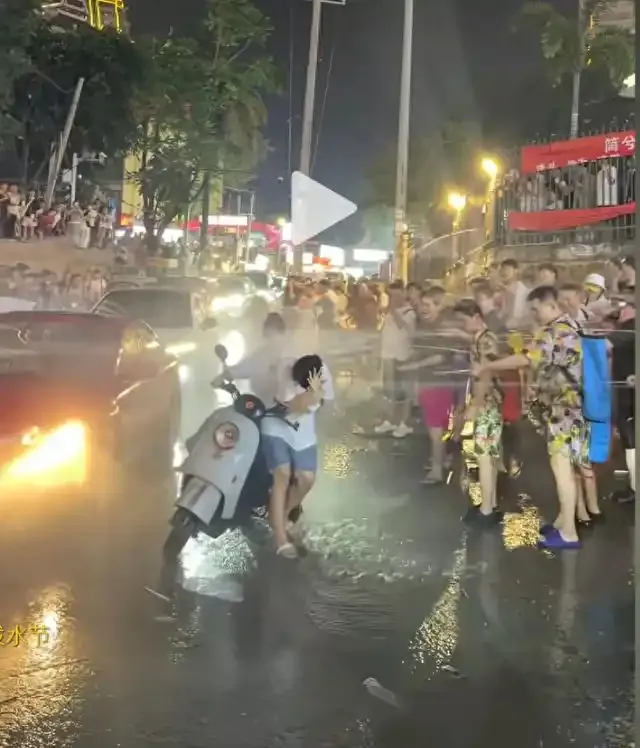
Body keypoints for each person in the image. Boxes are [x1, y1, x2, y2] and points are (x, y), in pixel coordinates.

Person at [476, 286, 596, 550]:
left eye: (535, 308)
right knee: (565, 467)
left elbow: (525, 359)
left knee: (562, 470)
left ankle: (569, 534)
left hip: (565, 410)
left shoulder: (557, 331)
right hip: (571, 408)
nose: (534, 314)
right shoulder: (569, 326)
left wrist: (488, 365)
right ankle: (563, 521)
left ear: (549, 304)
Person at [262, 354, 334, 558]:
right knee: (282, 474)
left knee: (307, 479)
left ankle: (282, 515)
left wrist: (316, 393)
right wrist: (314, 393)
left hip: (303, 428)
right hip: (276, 424)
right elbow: (292, 406)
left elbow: (320, 404)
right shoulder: (285, 372)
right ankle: (280, 537)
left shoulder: (323, 373)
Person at [453, 299, 504, 526]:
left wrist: (476, 403)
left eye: (463, 320)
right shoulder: (480, 338)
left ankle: (486, 510)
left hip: (488, 403)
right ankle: (489, 503)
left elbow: (487, 373)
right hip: (488, 401)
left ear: (476, 316)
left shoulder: (486, 340)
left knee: (484, 455)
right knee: (488, 454)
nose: (462, 325)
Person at [399, 293, 460, 484]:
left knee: (435, 428)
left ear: (439, 306)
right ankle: (442, 459)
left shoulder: (443, 328)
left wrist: (414, 365)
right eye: (421, 305)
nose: (423, 308)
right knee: (438, 426)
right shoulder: (425, 326)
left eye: (428, 304)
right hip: (429, 382)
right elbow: (418, 349)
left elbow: (441, 356)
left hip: (438, 382)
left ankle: (437, 469)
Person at [375, 281, 417, 438]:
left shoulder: (409, 312)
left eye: (397, 294)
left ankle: (404, 423)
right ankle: (391, 420)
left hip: (401, 356)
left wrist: (393, 310)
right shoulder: (390, 312)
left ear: (404, 293)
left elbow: (406, 329)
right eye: (391, 295)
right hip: (387, 355)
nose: (394, 298)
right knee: (389, 391)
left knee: (403, 392)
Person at [608, 302, 635, 503]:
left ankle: (634, 488)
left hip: (629, 398)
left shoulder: (629, 327)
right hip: (628, 394)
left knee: (631, 443)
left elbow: (604, 345)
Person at [498, 259, 529, 328]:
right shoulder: (501, 290)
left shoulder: (522, 291)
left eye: (507, 270)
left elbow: (517, 314)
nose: (504, 272)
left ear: (516, 271)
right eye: (502, 269)